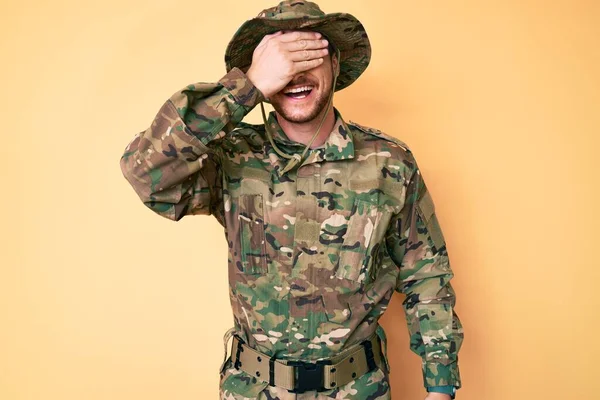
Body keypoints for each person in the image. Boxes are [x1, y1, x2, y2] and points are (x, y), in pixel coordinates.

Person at [119, 1, 463, 399]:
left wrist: (440, 386)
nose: (295, 73)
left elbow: (427, 276)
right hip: (253, 389)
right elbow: (144, 173)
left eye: (309, 53)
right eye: (280, 60)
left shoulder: (389, 162)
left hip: (359, 389)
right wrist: (243, 88)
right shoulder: (231, 157)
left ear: (334, 62)